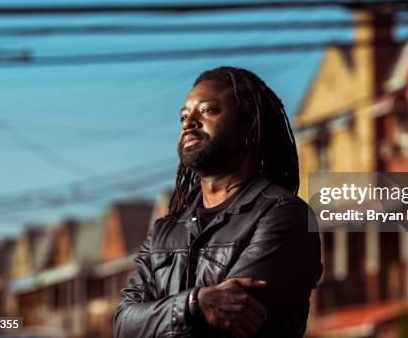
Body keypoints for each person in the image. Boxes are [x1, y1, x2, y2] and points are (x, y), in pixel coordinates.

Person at [114, 66, 322, 338]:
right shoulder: (164, 231)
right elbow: (123, 324)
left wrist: (156, 318)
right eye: (183, 116)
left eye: (208, 110)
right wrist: (195, 305)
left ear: (248, 123)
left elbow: (226, 326)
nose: (189, 123)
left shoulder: (284, 216)